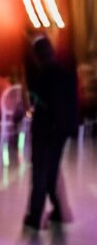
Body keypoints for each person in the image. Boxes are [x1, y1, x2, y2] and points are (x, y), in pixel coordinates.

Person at [24, 33, 78, 230]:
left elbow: (36, 103)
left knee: (40, 170)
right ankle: (57, 210)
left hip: (45, 128)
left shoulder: (42, 74)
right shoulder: (64, 72)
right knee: (52, 169)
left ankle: (36, 216)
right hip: (61, 130)